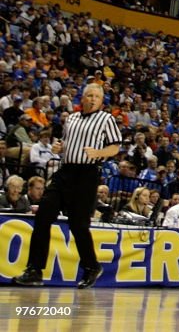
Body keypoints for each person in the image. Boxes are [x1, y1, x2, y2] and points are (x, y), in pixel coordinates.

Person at [13, 83, 122, 288]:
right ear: (82, 98)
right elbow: (66, 144)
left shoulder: (106, 119)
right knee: (44, 214)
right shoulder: (71, 118)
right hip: (65, 171)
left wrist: (99, 153)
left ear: (101, 101)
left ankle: (91, 266)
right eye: (88, 95)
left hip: (87, 174)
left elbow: (115, 147)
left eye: (96, 97)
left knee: (78, 224)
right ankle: (35, 270)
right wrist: (59, 147)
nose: (92, 99)